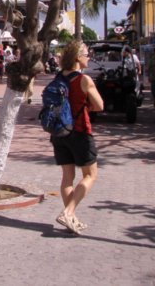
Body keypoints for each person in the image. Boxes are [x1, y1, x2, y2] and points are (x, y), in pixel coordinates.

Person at [53, 41, 104, 235]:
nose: (89, 57)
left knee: (67, 177)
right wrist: (86, 107)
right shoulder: (84, 80)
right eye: (86, 54)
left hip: (59, 133)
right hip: (80, 132)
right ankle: (68, 212)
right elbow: (99, 105)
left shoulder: (58, 77)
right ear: (77, 58)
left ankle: (71, 220)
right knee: (91, 175)